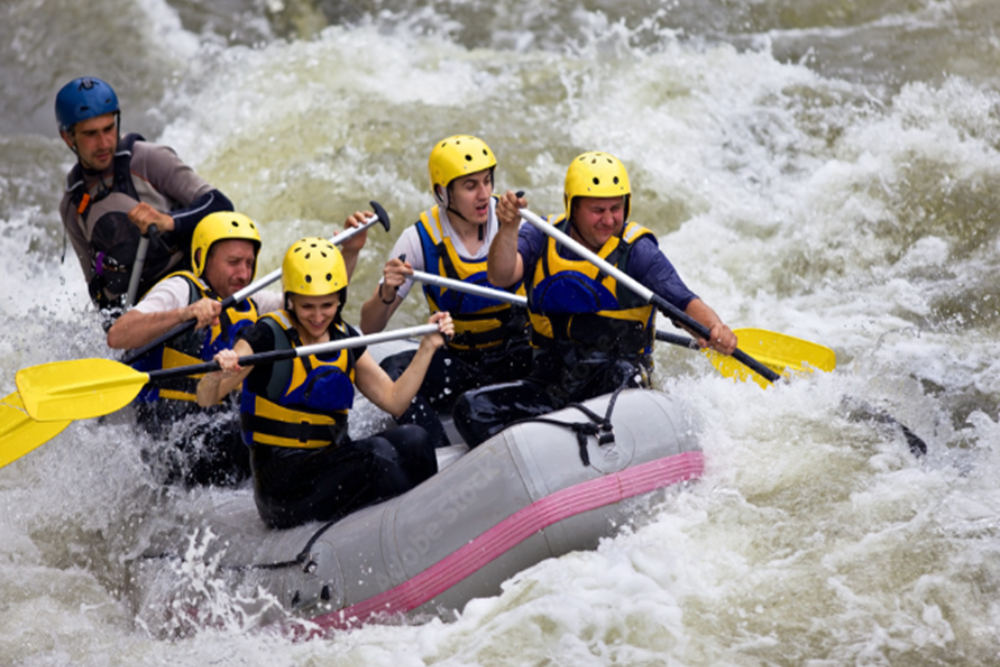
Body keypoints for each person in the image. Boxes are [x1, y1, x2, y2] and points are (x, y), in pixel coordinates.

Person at [452, 151, 738, 447]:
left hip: (614, 387)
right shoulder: (541, 235)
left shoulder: (637, 252)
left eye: (616, 208)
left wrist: (714, 327)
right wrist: (509, 228)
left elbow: (682, 302)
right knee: (472, 409)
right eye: (597, 210)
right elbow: (500, 276)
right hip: (551, 387)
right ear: (572, 207)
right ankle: (546, 452)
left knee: (622, 375)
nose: (609, 219)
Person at [196, 237, 453, 529]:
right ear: (290, 299)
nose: (318, 317)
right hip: (282, 483)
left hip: (330, 460)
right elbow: (206, 397)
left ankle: (437, 523)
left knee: (416, 440)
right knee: (376, 455)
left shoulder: (345, 337)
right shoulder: (267, 336)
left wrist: (428, 346)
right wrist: (221, 373)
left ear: (340, 298)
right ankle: (417, 527)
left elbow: (394, 400)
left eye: (327, 305)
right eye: (307, 306)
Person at [359, 135, 531, 443]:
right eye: (470, 186)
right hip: (462, 362)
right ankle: (437, 450)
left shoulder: (514, 224)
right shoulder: (418, 239)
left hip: (516, 358)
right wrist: (386, 293)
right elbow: (370, 327)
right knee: (392, 370)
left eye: (487, 181)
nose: (483, 195)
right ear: (443, 193)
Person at [106, 211, 279, 487]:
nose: (244, 274)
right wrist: (184, 314)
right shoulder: (180, 290)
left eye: (249, 263)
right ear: (202, 258)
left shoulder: (250, 299)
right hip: (169, 433)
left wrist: (348, 254)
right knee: (250, 432)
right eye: (233, 262)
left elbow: (311, 310)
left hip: (221, 422)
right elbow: (118, 335)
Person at [56, 76, 234, 321]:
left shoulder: (149, 159)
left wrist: (168, 221)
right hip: (145, 314)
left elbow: (220, 205)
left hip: (193, 288)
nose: (104, 143)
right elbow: (98, 291)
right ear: (68, 138)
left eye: (108, 129)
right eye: (90, 134)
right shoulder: (72, 204)